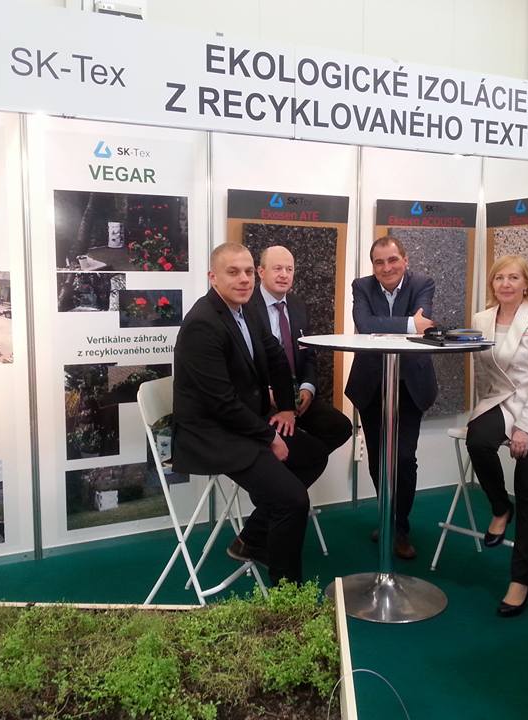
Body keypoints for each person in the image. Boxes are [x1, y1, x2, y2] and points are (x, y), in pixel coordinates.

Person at [172, 242, 329, 586]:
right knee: (292, 500)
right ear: (213, 277)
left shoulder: (247, 310)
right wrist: (269, 436)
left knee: (314, 455)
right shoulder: (202, 324)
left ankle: (254, 538)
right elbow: (221, 403)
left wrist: (285, 408)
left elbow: (276, 357)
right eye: (233, 272)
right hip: (212, 434)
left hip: (243, 423)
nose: (243, 279)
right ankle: (288, 596)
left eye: (247, 272)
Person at [465, 254, 528, 617]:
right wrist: (484, 410)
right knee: (477, 439)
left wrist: (525, 429)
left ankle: (520, 581)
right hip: (501, 401)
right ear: (492, 284)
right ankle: (499, 507)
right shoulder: (481, 319)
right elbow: (484, 372)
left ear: (526, 285)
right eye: (499, 278)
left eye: (513, 278)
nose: (505, 284)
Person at [344, 236, 436, 559]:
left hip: (410, 385)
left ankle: (400, 527)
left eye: (393, 259)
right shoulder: (362, 286)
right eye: (379, 262)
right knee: (378, 459)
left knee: (404, 458)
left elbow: (423, 329)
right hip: (371, 385)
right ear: (373, 265)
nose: (386, 267)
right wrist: (410, 323)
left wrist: (396, 326)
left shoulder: (423, 283)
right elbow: (365, 324)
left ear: (405, 260)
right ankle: (387, 518)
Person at [247, 245, 353, 455]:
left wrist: (308, 388)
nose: (284, 275)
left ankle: (295, 467)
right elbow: (242, 361)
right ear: (261, 272)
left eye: (289, 269)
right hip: (264, 400)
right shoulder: (246, 306)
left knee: (340, 428)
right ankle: (286, 469)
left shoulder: (298, 306)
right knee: (303, 454)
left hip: (298, 396)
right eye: (277, 268)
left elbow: (309, 354)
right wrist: (266, 392)